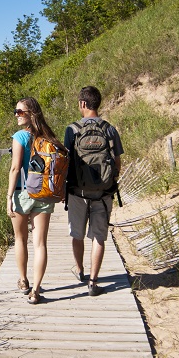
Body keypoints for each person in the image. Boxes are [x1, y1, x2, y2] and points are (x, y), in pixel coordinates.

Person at [64, 86, 124, 297]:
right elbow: (117, 161)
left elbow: (67, 161)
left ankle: (80, 270)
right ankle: (93, 281)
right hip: (104, 192)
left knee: (77, 234)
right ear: (97, 103)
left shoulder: (72, 130)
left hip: (77, 192)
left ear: (83, 103)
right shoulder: (110, 129)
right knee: (99, 236)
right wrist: (109, 179)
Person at [7, 97, 66, 304]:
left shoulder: (20, 137)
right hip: (44, 193)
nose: (16, 115)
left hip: (22, 192)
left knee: (20, 239)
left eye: (20, 112)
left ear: (31, 114)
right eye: (16, 111)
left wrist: (8, 197)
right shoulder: (48, 137)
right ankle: (36, 290)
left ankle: (23, 280)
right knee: (40, 243)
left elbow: (15, 168)